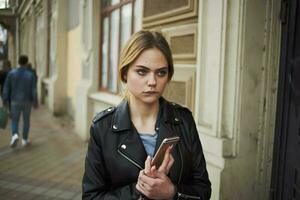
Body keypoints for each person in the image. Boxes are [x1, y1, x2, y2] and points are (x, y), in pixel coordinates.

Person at [82, 30, 211, 199]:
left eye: (161, 72)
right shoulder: (102, 127)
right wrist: (140, 190)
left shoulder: (183, 120)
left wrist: (172, 192)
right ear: (125, 73)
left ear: (168, 76)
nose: (152, 82)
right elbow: (92, 196)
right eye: (142, 72)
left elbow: (203, 190)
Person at [3, 55, 38, 148]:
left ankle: (15, 135)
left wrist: (5, 100)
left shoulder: (11, 73)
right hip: (27, 102)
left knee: (15, 120)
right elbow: (33, 89)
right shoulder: (30, 75)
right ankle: (24, 140)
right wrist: (35, 101)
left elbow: (6, 87)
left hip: (14, 101)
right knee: (26, 121)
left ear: (18, 62)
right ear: (26, 63)